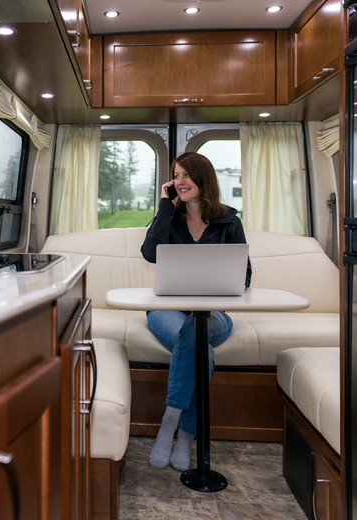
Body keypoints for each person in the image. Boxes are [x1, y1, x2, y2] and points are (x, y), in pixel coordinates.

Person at [140, 152, 251, 471]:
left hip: (213, 312)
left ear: (204, 179)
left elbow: (244, 276)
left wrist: (221, 284)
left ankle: (174, 430)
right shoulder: (169, 218)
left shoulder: (229, 219)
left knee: (195, 331)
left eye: (187, 175)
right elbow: (150, 254)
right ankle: (181, 433)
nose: (180, 181)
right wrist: (164, 206)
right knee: (202, 349)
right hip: (167, 309)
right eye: (176, 175)